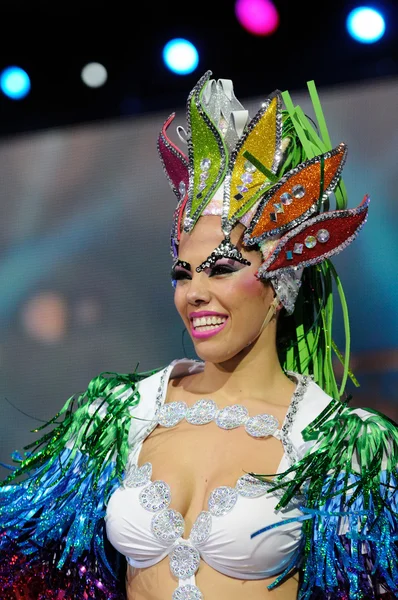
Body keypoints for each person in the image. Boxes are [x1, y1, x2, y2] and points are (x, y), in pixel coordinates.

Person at [0, 70, 397, 600]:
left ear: (280, 281)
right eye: (183, 274)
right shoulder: (117, 417)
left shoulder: (339, 445)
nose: (195, 293)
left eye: (222, 269)